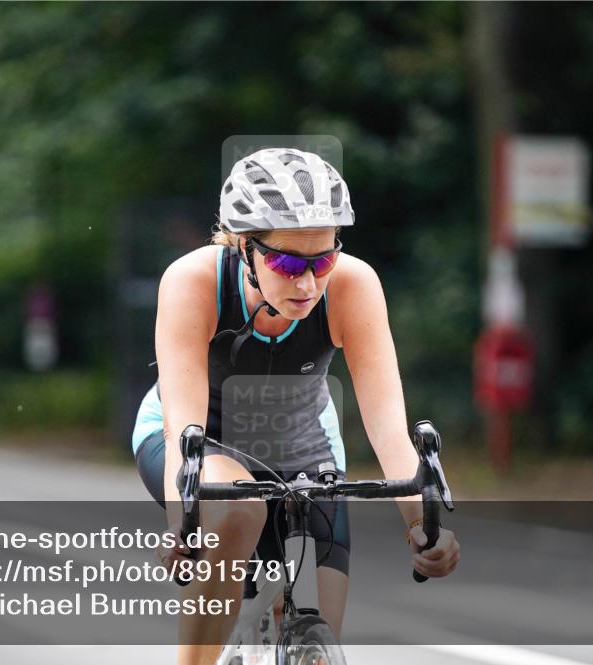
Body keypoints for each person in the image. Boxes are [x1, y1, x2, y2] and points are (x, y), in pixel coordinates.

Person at [132, 147, 460, 665]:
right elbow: (184, 431)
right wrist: (185, 525)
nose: (307, 283)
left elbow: (390, 431)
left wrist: (423, 524)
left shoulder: (354, 285)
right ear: (244, 246)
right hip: (201, 438)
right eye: (286, 262)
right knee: (239, 508)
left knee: (319, 639)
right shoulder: (192, 282)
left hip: (303, 443)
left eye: (323, 259)